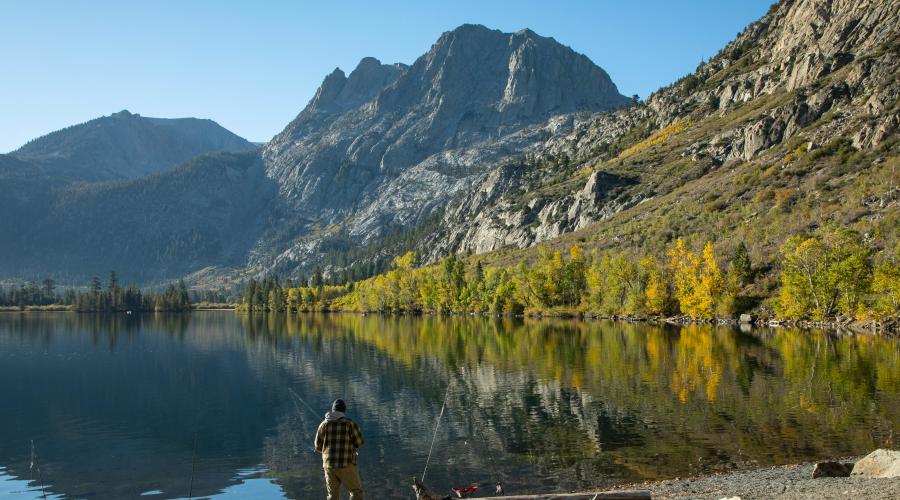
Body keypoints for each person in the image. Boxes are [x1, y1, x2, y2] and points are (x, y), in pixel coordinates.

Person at [314, 398, 365, 500]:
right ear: (343, 411)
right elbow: (359, 442)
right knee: (356, 492)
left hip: (328, 465)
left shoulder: (323, 425)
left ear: (333, 410)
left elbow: (317, 446)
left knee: (332, 496)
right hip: (346, 463)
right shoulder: (349, 424)